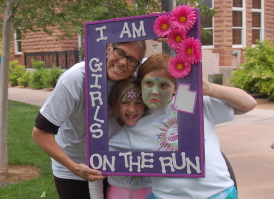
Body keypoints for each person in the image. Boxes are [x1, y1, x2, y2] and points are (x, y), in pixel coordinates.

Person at [108, 53, 257, 199]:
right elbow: (98, 158)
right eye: (148, 83)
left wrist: (209, 89)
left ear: (175, 88)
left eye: (163, 85)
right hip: (165, 196)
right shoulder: (135, 128)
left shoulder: (186, 101)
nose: (154, 91)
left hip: (218, 192)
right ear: (140, 85)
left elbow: (248, 104)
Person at [31, 40, 146, 199]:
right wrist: (75, 168)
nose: (123, 62)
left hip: (114, 166)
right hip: (74, 170)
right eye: (120, 52)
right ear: (108, 49)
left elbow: (176, 72)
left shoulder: (135, 77)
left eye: (132, 60)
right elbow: (40, 132)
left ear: (138, 64)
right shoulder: (76, 78)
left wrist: (171, 36)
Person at [89, 77, 150, 199]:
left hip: (151, 193)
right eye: (125, 102)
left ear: (145, 105)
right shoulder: (105, 134)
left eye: (138, 103)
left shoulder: (153, 127)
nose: (131, 109)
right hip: (120, 194)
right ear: (116, 104)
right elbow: (95, 175)